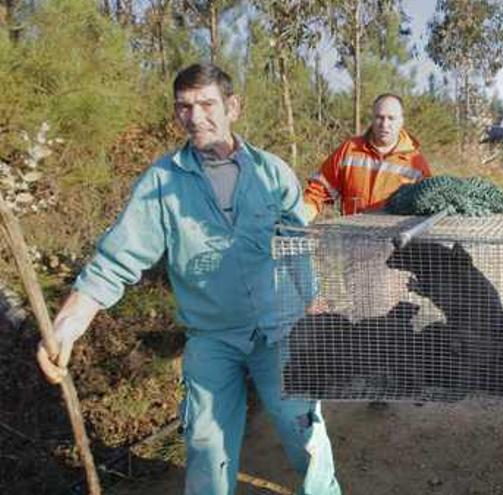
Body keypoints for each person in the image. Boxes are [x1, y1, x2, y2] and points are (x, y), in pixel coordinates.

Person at [35, 63, 342, 495]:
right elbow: (115, 260)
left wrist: (312, 298)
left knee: (305, 431)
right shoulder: (161, 184)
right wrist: (67, 325)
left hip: (281, 331)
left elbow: (296, 245)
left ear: (232, 107)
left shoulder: (272, 173)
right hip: (213, 337)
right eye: (184, 107)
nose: (195, 117)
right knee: (205, 446)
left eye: (206, 104)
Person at [303, 93, 431, 220]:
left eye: (391, 118)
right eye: (379, 117)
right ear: (372, 119)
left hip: (394, 238)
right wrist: (302, 216)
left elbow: (427, 208)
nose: (384, 124)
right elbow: (319, 191)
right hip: (350, 235)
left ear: (401, 121)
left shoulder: (416, 162)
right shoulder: (350, 149)